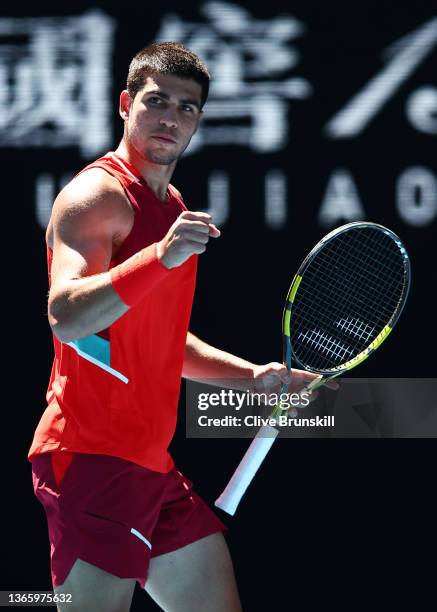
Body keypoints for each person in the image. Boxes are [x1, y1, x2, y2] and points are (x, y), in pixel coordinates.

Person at [28, 42, 322, 612]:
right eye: (156, 100)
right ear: (124, 104)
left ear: (199, 122)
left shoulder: (173, 207)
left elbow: (156, 339)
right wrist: (158, 258)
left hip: (149, 465)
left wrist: (252, 377)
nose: (170, 117)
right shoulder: (96, 197)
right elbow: (65, 316)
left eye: (186, 108)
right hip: (92, 460)